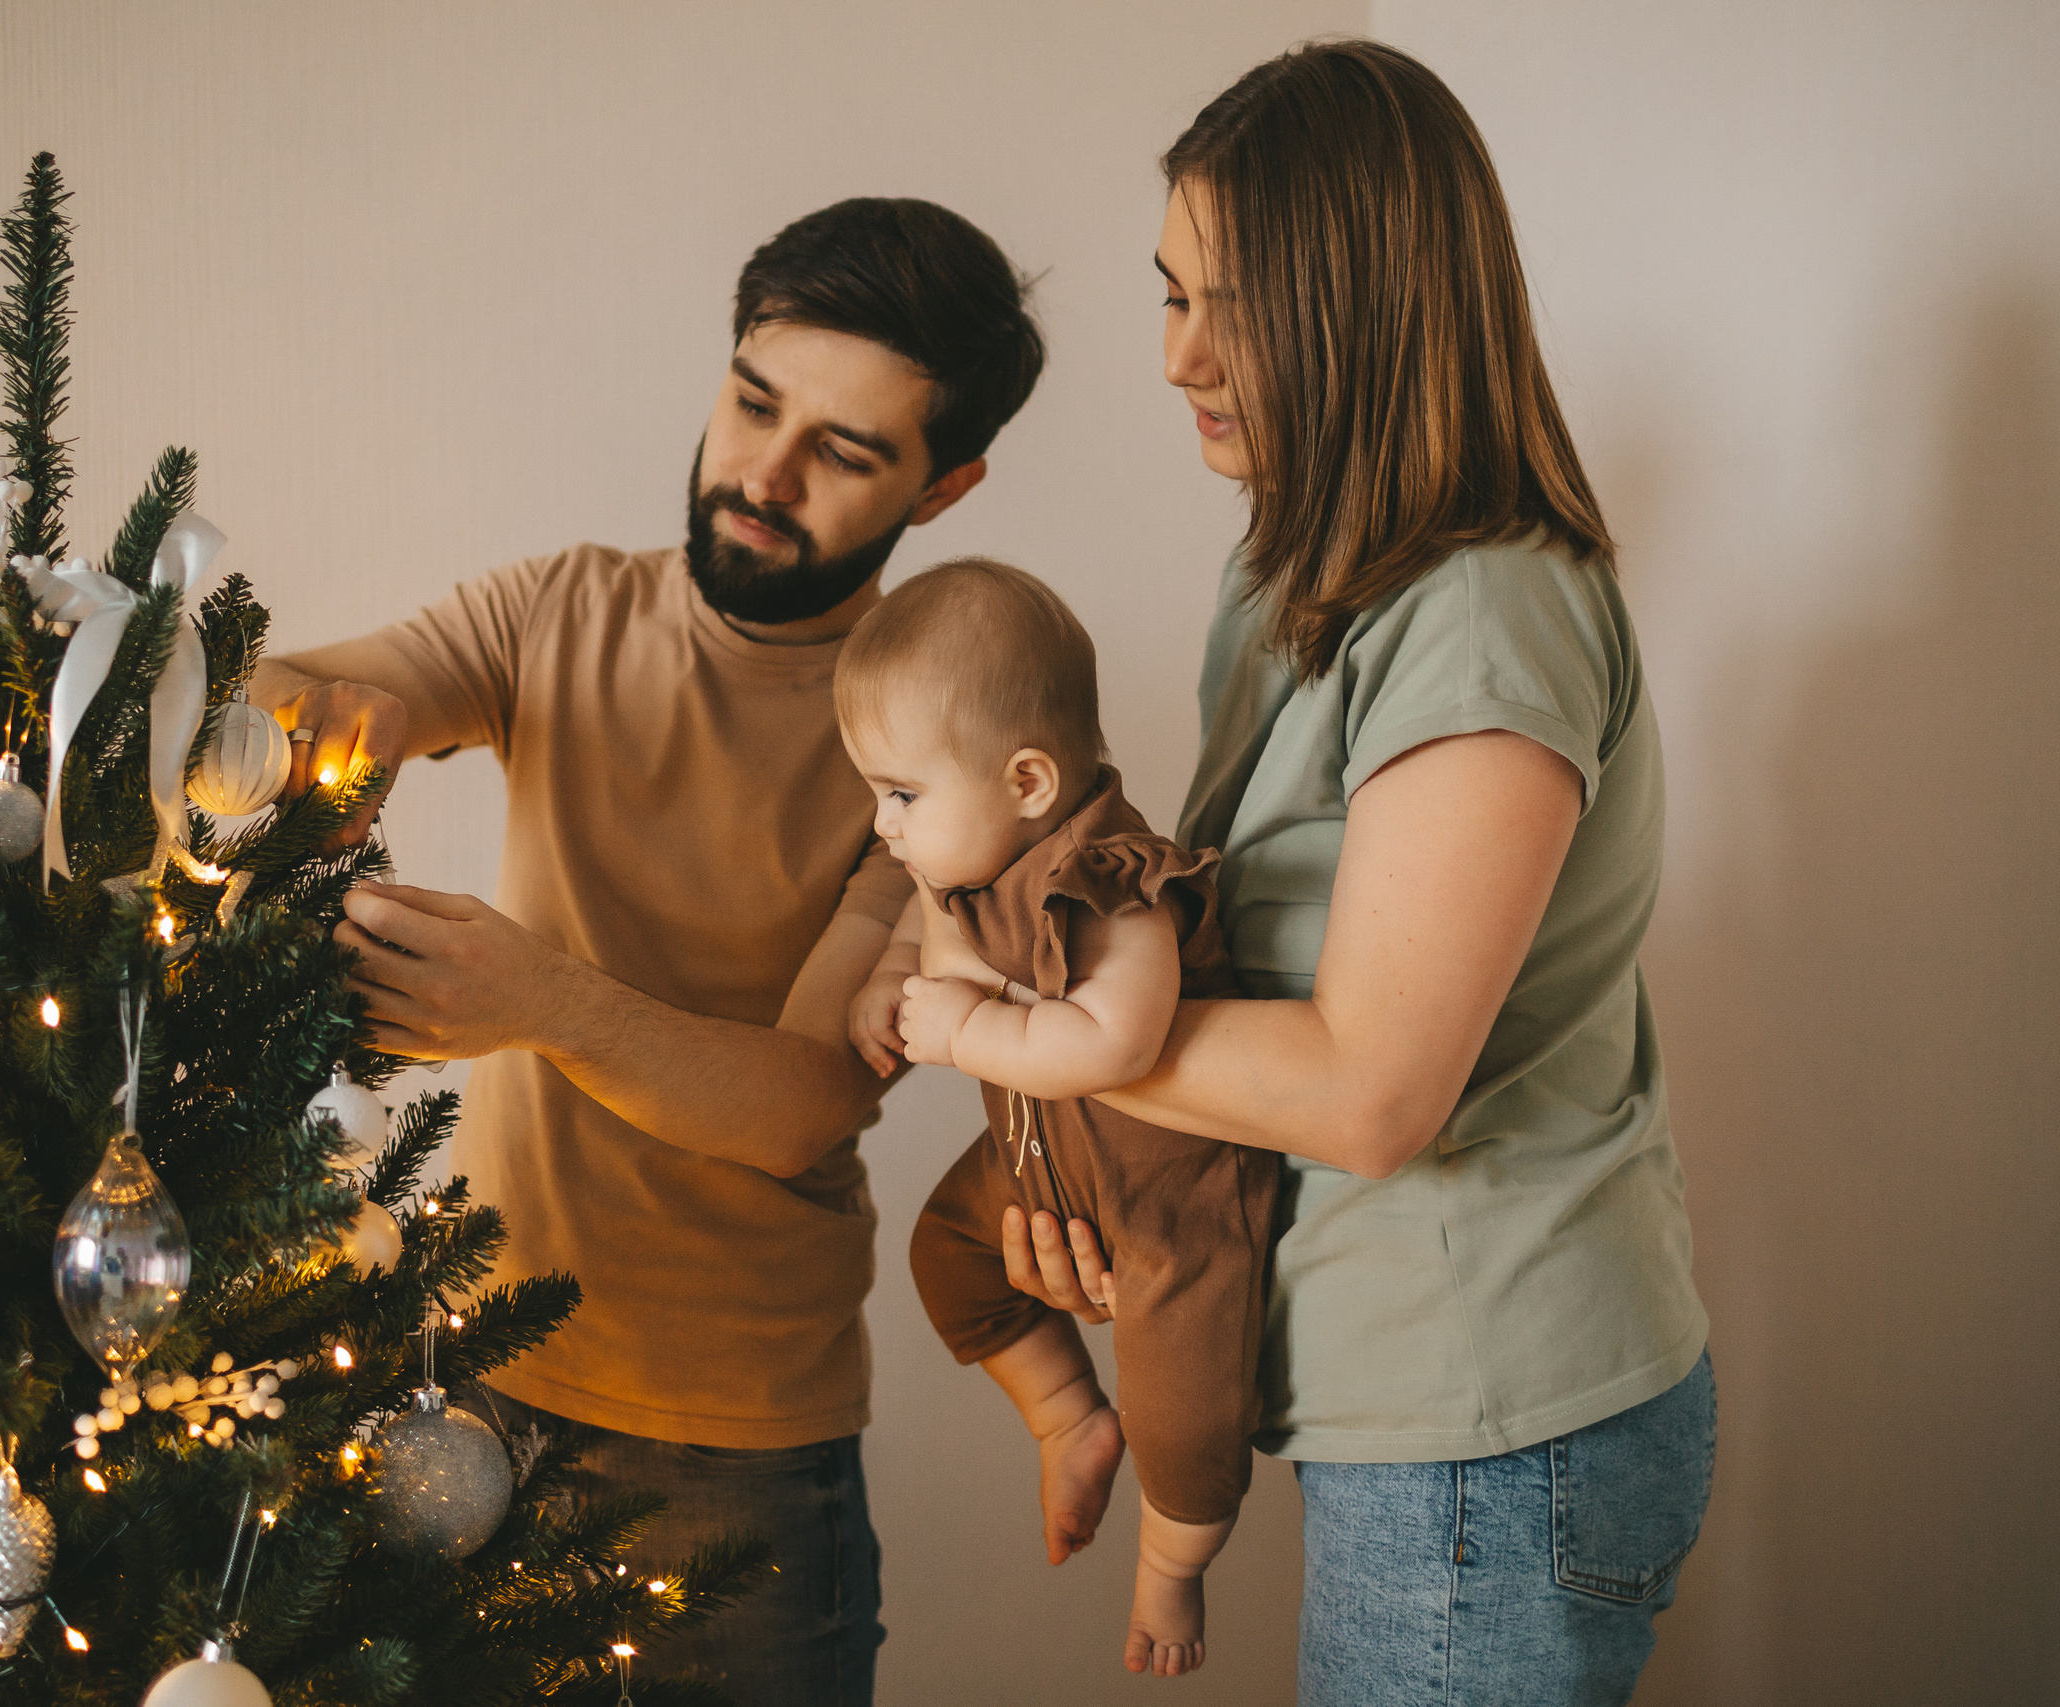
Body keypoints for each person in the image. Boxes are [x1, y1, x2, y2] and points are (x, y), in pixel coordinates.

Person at [250, 198, 1045, 1706]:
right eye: (753, 402)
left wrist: (540, 1002)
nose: (765, 473)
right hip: (454, 1386)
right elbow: (298, 686)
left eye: (843, 452)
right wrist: (304, 729)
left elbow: (804, 1100)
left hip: (732, 1463)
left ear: (944, 487)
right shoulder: (559, 610)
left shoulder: (936, 753)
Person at [999, 41, 1714, 1704]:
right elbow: (1238, 981)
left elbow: (1370, 1090)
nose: (1177, 354)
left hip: (1491, 1427)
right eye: (1167, 292)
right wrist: (1078, 1163)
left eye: (1230, 306)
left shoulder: (1484, 612)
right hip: (1414, 1407)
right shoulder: (1293, 576)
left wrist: (1017, 1038)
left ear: (1366, 308)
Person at [833, 557, 1283, 1678]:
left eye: (900, 794)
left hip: (1171, 1200)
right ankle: (1068, 1415)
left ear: (1027, 780)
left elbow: (1114, 1045)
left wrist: (962, 1030)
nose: (882, 824)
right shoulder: (969, 858)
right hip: (1036, 1163)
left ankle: (1170, 1567)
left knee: (1184, 1405)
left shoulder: (1114, 884)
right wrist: (896, 979)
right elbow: (935, 935)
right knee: (944, 1252)